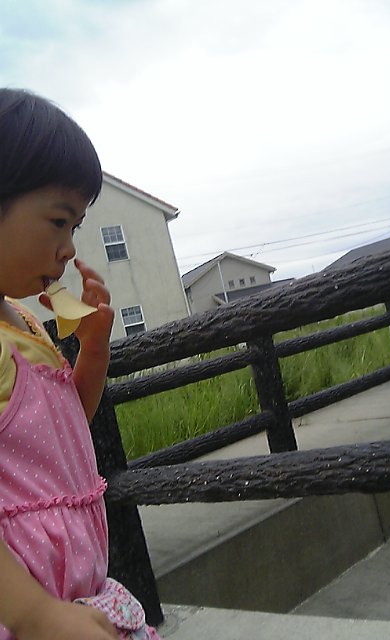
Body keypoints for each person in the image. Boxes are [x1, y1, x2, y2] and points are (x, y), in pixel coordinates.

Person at [0, 88, 161, 639]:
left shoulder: (25, 321)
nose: (69, 248)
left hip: (69, 592)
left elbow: (63, 431)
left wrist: (92, 352)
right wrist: (35, 615)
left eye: (75, 228)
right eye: (57, 221)